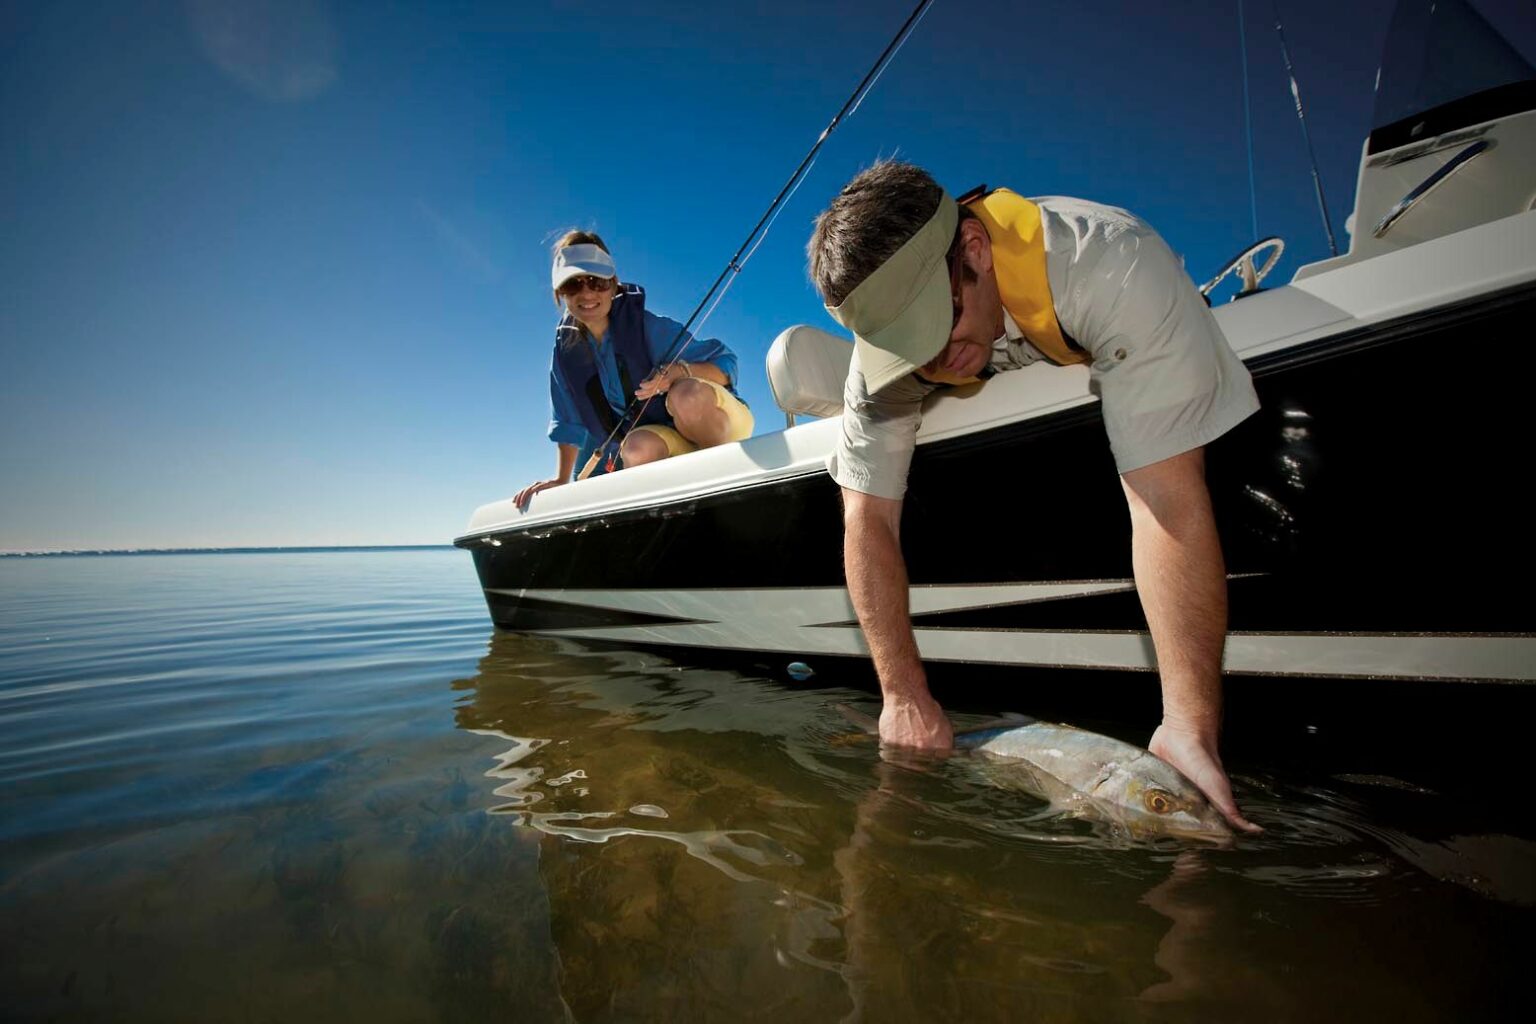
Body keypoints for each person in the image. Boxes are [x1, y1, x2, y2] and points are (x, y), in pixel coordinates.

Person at [806, 161, 1262, 832]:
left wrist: (1188, 727)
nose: (931, 361)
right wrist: (903, 695)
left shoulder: (1110, 262)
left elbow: (1164, 499)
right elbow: (866, 520)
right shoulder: (877, 373)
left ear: (976, 251)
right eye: (908, 348)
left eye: (940, 324)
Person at [514, 231, 753, 509]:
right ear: (559, 293)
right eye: (573, 285)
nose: (587, 293)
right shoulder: (565, 354)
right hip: (671, 441)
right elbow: (568, 423)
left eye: (597, 281)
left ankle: (725, 495)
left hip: (722, 423)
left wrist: (678, 373)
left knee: (686, 396)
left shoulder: (649, 328)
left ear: (613, 284)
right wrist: (560, 480)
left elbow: (726, 364)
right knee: (636, 448)